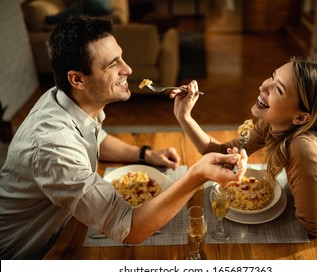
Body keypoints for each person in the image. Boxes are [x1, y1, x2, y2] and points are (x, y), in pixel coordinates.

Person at [0, 15, 248, 259]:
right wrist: (197, 174)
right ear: (77, 79)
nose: (128, 69)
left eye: (121, 57)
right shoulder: (53, 146)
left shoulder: (64, 98)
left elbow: (96, 138)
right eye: (112, 65)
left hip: (65, 224)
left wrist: (146, 154)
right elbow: (129, 227)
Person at [171, 56, 317, 260]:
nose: (263, 86)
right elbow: (223, 153)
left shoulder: (305, 149)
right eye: (272, 77)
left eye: (279, 89)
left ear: (301, 117)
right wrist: (185, 117)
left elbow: (314, 228)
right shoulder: (274, 122)